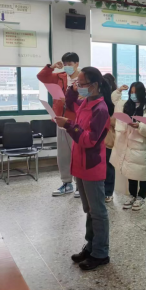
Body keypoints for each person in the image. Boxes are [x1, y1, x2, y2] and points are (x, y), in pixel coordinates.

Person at [55, 67, 111, 271]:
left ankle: (101, 253)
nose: (79, 87)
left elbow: (89, 140)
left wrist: (69, 126)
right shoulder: (85, 103)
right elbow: (71, 102)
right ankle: (91, 246)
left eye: (82, 84)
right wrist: (72, 89)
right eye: (77, 84)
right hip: (79, 164)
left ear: (94, 85)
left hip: (92, 165)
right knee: (89, 210)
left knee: (98, 212)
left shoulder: (100, 109)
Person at [37, 52, 81, 198]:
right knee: (63, 154)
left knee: (77, 153)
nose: (67, 67)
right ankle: (67, 183)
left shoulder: (83, 78)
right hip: (60, 120)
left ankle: (80, 184)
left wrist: (69, 100)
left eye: (70, 64)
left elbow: (86, 100)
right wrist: (51, 67)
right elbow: (41, 77)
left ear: (77, 64)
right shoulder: (60, 76)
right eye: (65, 64)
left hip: (76, 121)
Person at [111, 82, 146, 211]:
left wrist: (139, 126)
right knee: (130, 171)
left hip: (141, 144)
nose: (133, 95)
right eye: (131, 92)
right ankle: (132, 195)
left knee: (142, 171)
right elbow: (115, 100)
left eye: (136, 92)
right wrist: (119, 90)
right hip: (128, 143)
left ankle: (141, 196)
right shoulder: (127, 105)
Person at [102, 73, 117, 203]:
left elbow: (115, 122)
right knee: (100, 165)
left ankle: (108, 192)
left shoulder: (115, 101)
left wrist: (105, 118)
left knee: (108, 166)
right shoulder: (98, 98)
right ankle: (101, 190)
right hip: (97, 138)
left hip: (108, 137)